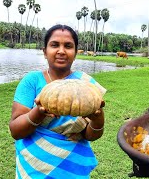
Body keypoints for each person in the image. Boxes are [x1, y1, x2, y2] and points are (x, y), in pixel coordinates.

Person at [9, 24, 107, 178]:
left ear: (75, 53)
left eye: (68, 46)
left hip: (71, 169)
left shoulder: (87, 85)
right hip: (35, 169)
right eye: (54, 45)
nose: (61, 51)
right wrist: (39, 112)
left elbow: (90, 135)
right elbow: (15, 131)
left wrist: (98, 120)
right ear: (45, 52)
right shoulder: (32, 81)